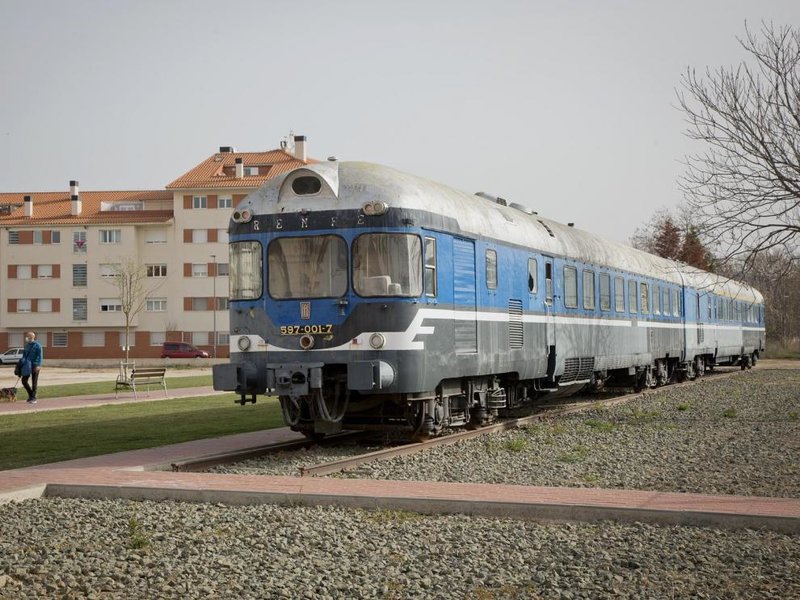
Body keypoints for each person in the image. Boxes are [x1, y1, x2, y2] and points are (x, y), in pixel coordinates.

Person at [20, 331, 43, 404]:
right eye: (26, 336)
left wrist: (39, 365)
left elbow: (40, 356)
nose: (26, 337)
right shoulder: (26, 345)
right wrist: (22, 363)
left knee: (34, 381)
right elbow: (24, 356)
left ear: (32, 337)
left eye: (28, 336)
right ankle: (31, 395)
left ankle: (34, 398)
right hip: (27, 365)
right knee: (24, 380)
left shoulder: (37, 345)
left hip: (35, 365)